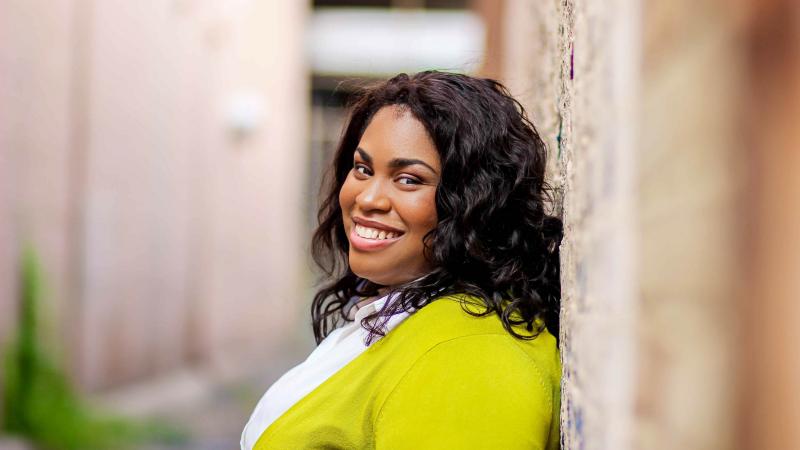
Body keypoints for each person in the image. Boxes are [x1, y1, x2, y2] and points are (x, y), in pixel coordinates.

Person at [241, 71, 563, 449]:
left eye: (408, 179)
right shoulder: (409, 317)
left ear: (477, 201)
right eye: (363, 169)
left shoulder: (469, 355)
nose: (368, 198)